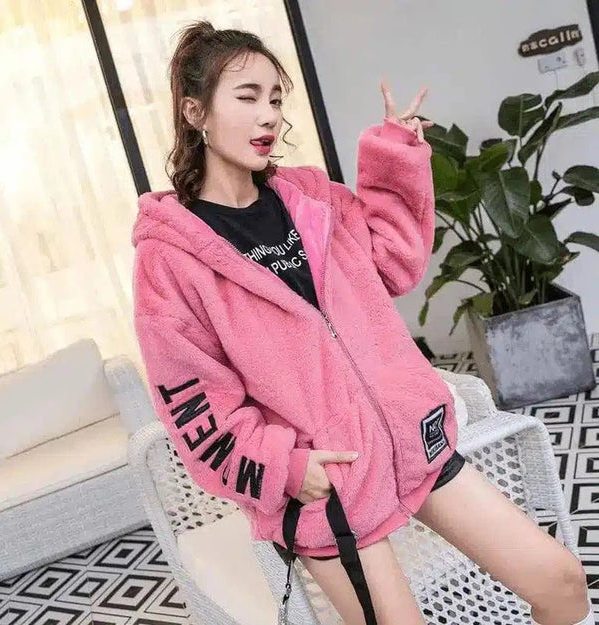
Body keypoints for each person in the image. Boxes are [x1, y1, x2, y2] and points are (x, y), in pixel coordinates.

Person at [131, 19, 593, 625]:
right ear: (195, 113)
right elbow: (193, 403)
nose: (268, 116)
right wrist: (287, 468)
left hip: (412, 444)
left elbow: (393, 265)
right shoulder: (171, 257)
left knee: (562, 583)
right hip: (328, 485)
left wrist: (396, 159)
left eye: (276, 99)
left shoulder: (311, 198)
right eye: (247, 98)